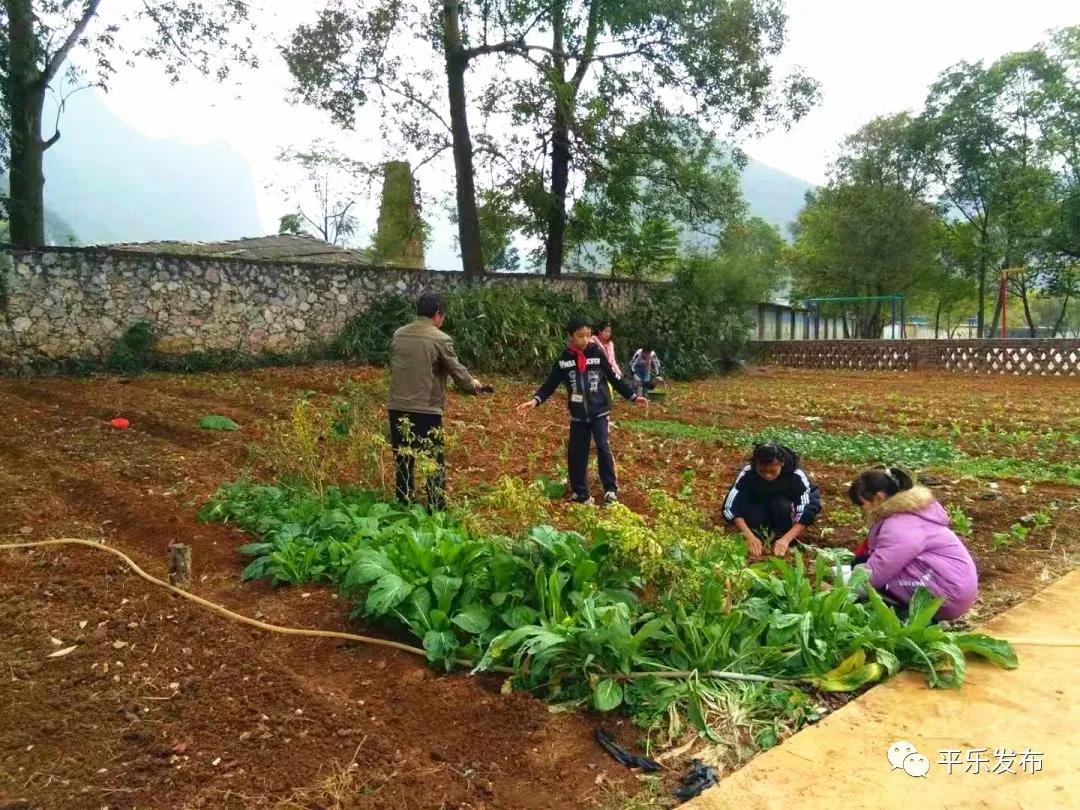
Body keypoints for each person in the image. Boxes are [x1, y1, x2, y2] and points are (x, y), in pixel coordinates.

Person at [516, 316, 647, 505]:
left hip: (599, 411)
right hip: (578, 415)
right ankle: (581, 493)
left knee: (603, 447)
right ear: (570, 336)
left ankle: (610, 489)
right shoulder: (564, 360)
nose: (585, 340)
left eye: (588, 335)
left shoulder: (597, 353)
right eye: (580, 336)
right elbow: (550, 384)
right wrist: (536, 400)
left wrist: (633, 396)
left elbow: (613, 378)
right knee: (577, 452)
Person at [387, 291, 484, 510]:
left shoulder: (399, 334)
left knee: (403, 459)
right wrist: (473, 384)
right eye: (443, 315)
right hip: (426, 409)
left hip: (397, 407)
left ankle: (403, 504)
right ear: (438, 315)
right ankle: (436, 507)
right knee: (433, 459)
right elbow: (456, 370)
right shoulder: (440, 338)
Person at [847, 466, 978, 621]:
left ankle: (922, 620)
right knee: (864, 564)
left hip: (947, 597)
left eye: (862, 504)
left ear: (879, 498)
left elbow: (877, 573)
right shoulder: (914, 512)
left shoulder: (899, 524)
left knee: (867, 581)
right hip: (953, 588)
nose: (863, 510)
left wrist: (840, 592)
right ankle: (927, 618)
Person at [722, 443, 822, 557]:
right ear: (755, 465)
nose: (767, 476)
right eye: (762, 471)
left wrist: (786, 539)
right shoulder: (748, 473)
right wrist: (749, 536)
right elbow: (731, 506)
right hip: (758, 514)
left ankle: (781, 536)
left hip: (783, 515)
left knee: (782, 505)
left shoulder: (796, 476)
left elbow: (807, 509)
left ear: (782, 463)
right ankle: (759, 536)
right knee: (750, 508)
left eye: (773, 472)